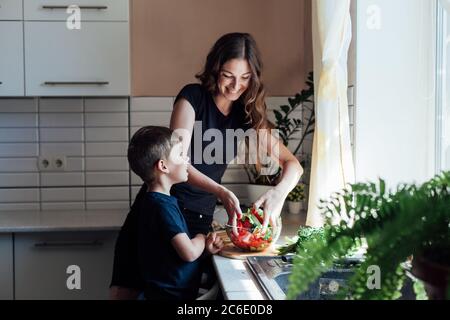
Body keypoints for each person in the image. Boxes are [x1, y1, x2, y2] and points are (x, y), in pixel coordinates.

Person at [110, 32, 303, 298]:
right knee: (127, 289)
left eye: (245, 78)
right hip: (160, 210)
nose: (236, 86)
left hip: (198, 218)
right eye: (228, 75)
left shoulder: (246, 113)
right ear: (215, 69)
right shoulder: (192, 98)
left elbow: (293, 165)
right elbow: (177, 160)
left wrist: (278, 194)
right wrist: (221, 191)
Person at [110, 126, 223, 300]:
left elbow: (173, 256)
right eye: (180, 155)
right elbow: (189, 253)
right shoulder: (162, 207)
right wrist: (202, 236)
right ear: (163, 166)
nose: (187, 159)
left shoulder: (156, 202)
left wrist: (206, 250)